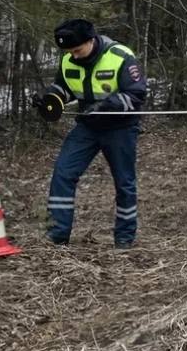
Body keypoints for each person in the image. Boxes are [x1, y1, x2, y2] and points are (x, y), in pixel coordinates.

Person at [32, 19, 147, 249]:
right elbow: (64, 88)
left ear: (91, 40)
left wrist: (105, 107)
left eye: (77, 50)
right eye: (69, 51)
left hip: (120, 127)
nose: (73, 55)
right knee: (63, 173)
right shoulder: (68, 60)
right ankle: (57, 236)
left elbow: (136, 94)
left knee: (124, 182)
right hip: (87, 126)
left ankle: (124, 239)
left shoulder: (120, 56)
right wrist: (49, 99)